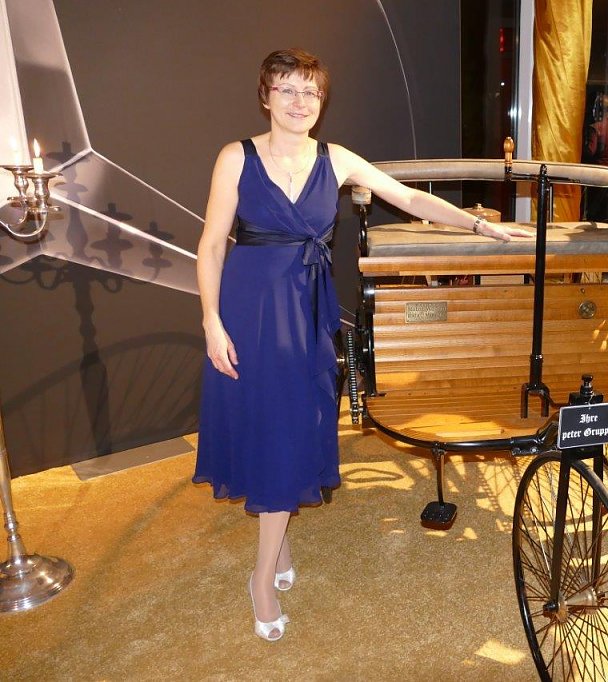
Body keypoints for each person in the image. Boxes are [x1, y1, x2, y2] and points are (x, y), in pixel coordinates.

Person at [193, 48, 532, 641]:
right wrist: (211, 322)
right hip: (251, 312)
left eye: (310, 92)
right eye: (287, 89)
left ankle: (274, 549)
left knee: (295, 427)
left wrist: (479, 224)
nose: (300, 102)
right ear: (265, 96)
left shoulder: (338, 158)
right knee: (269, 426)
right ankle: (262, 576)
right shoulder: (236, 157)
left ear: (321, 102)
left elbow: (412, 199)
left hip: (306, 313)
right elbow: (213, 244)